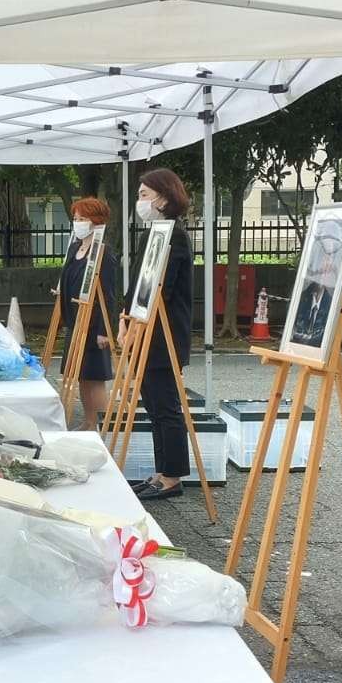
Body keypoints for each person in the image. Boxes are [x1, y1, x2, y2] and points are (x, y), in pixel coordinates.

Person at [124, 169, 194, 501]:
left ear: (164, 199)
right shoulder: (152, 233)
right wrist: (126, 318)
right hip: (144, 331)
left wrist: (137, 324)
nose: (140, 201)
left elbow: (160, 292)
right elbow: (138, 285)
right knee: (152, 405)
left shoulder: (175, 236)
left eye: (144, 195)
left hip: (164, 336)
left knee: (166, 407)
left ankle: (172, 476)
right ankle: (161, 470)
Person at [58, 197, 118, 428]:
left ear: (96, 222)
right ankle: (89, 421)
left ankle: (102, 425)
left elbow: (109, 295)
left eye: (83, 219)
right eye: (76, 218)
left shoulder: (103, 254)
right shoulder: (76, 247)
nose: (78, 223)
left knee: (95, 377)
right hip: (75, 322)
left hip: (93, 325)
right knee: (81, 375)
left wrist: (104, 330)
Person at [290, 228, 342, 348]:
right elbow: (294, 333)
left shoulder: (333, 302)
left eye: (331, 259)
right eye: (323, 258)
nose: (326, 266)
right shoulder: (302, 298)